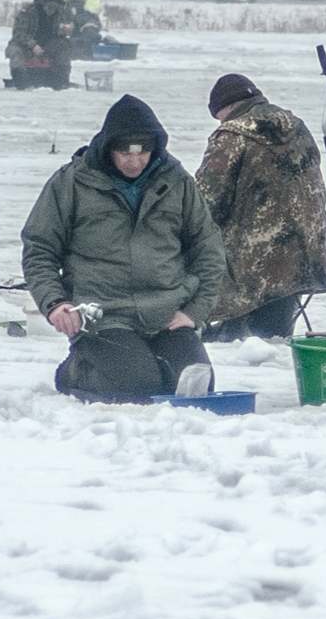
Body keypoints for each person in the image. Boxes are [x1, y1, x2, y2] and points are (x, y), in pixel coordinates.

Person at [20, 95, 229, 401]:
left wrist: (194, 312)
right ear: (109, 148)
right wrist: (55, 303)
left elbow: (209, 250)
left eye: (143, 152)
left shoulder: (178, 183)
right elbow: (39, 248)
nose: (134, 161)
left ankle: (145, 362)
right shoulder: (71, 183)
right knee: (136, 386)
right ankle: (75, 370)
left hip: (165, 313)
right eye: (125, 153)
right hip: (102, 315)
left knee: (194, 384)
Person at [194, 73, 326, 342]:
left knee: (216, 253)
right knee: (275, 331)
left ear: (225, 107)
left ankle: (236, 336)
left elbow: (206, 199)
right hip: (310, 248)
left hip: (254, 255)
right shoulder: (298, 127)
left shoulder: (232, 134)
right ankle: (270, 339)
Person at [7, 0, 73, 91]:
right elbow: (18, 34)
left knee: (64, 45)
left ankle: (61, 81)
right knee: (15, 51)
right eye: (51, 6)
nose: (53, 10)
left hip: (47, 46)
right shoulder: (28, 13)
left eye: (56, 7)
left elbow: (64, 30)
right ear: (44, 3)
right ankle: (21, 81)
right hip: (25, 46)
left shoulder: (60, 14)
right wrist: (32, 45)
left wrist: (65, 30)